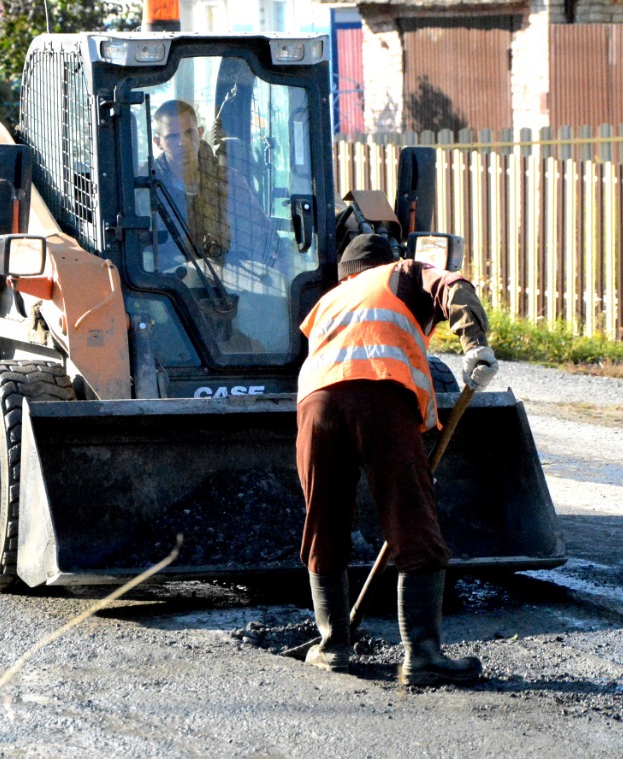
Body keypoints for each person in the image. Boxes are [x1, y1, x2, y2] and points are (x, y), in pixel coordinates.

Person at [294, 233, 499, 686]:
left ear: (346, 273)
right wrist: (474, 344)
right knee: (411, 521)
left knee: (324, 524)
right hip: (379, 397)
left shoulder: (328, 300)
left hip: (314, 405)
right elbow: (455, 287)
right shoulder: (404, 272)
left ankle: (331, 648)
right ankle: (422, 656)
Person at [150, 99, 276, 266]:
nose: (183, 142)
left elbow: (263, 242)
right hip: (169, 288)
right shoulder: (145, 189)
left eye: (189, 133)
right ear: (158, 142)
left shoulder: (231, 183)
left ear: (200, 133)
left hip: (226, 286)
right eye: (173, 136)